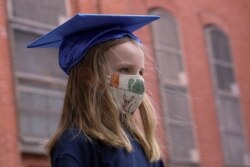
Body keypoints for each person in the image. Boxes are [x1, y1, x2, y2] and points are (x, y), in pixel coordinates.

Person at [27, 13, 164, 167]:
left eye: (140, 72)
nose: (137, 81)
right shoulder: (76, 144)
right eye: (125, 70)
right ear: (89, 77)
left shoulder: (145, 146)